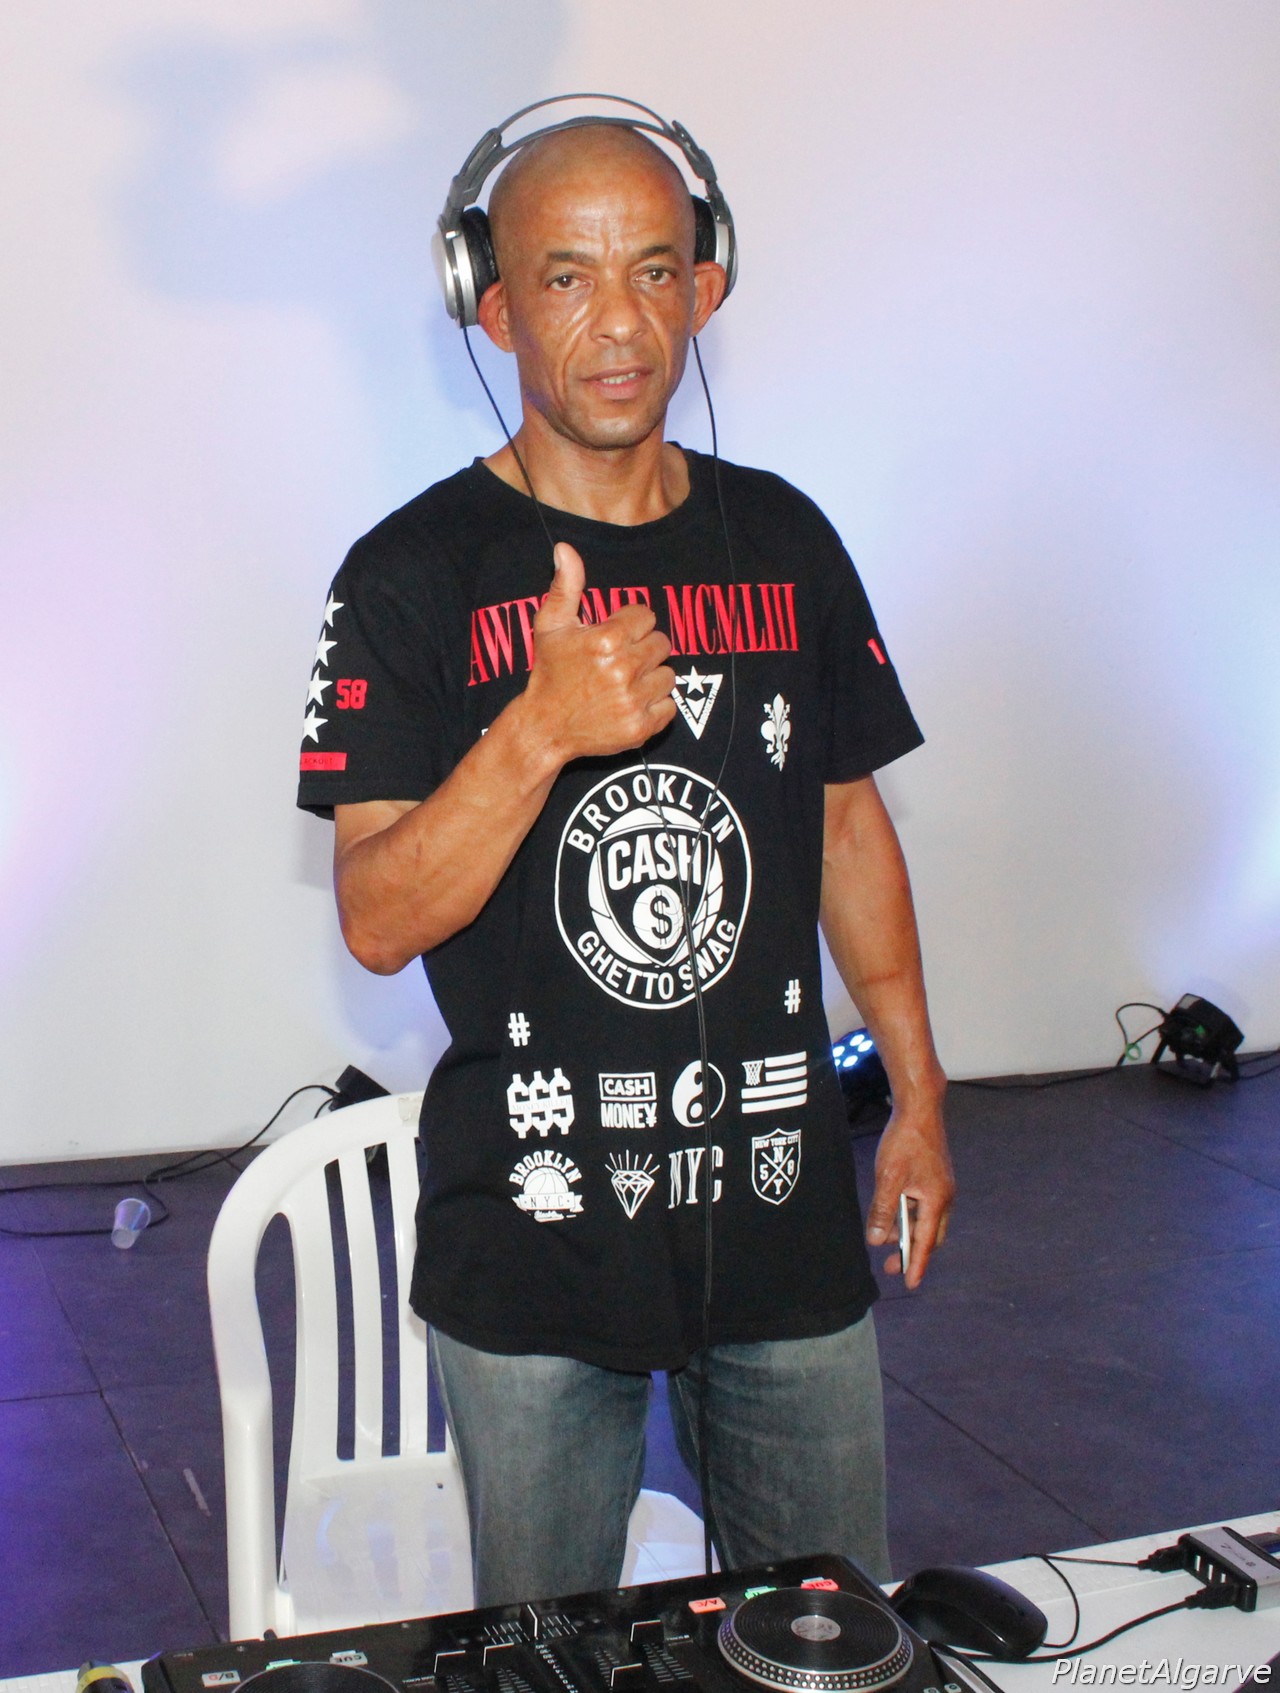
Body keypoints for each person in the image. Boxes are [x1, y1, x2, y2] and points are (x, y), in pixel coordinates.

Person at [297, 116, 954, 1605]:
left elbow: (848, 826)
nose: (619, 324)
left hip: (781, 1213)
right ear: (492, 305)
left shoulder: (785, 540)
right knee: (548, 1657)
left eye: (654, 271)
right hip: (533, 1236)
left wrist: (917, 1092)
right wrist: (537, 732)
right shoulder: (407, 577)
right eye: (567, 277)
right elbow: (378, 917)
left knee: (830, 1638)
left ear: (705, 288)